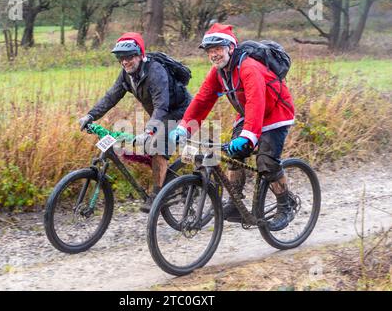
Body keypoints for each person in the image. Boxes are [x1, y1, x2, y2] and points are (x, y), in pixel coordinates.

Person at [169, 24, 295, 231]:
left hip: (276, 113)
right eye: (210, 51)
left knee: (266, 162)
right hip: (249, 114)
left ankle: (285, 204)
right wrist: (184, 127)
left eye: (217, 48)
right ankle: (235, 203)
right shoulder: (219, 72)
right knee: (232, 155)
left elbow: (256, 100)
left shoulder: (249, 67)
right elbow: (202, 100)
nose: (213, 54)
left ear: (230, 47)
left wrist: (248, 137)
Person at [79, 32, 192, 213]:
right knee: (145, 145)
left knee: (157, 146)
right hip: (160, 114)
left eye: (129, 57)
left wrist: (149, 131)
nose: (125, 62)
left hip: (182, 112)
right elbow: (111, 97)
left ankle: (157, 196)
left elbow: (162, 106)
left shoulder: (156, 72)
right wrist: (90, 116)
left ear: (140, 55)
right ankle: (164, 175)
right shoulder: (126, 74)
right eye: (120, 58)